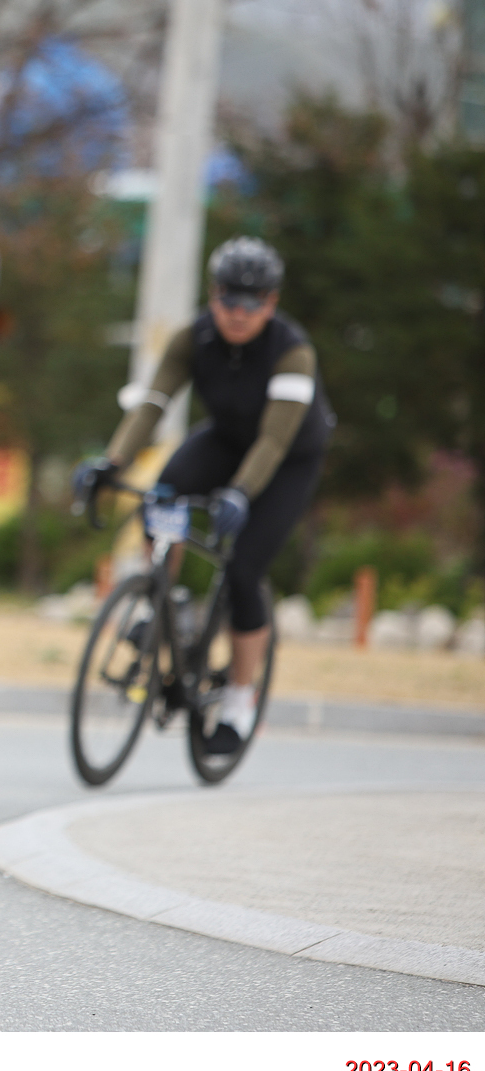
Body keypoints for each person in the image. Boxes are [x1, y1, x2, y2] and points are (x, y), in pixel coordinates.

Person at [74, 236, 332, 755]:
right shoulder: (192, 338)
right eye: (228, 299)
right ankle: (158, 601)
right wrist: (113, 462)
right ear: (213, 295)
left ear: (271, 303)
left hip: (286, 460)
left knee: (242, 572)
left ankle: (238, 700)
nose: (238, 312)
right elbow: (152, 404)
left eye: (252, 302)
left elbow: (273, 441)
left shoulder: (292, 352)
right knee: (160, 500)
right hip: (225, 439)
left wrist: (239, 493)